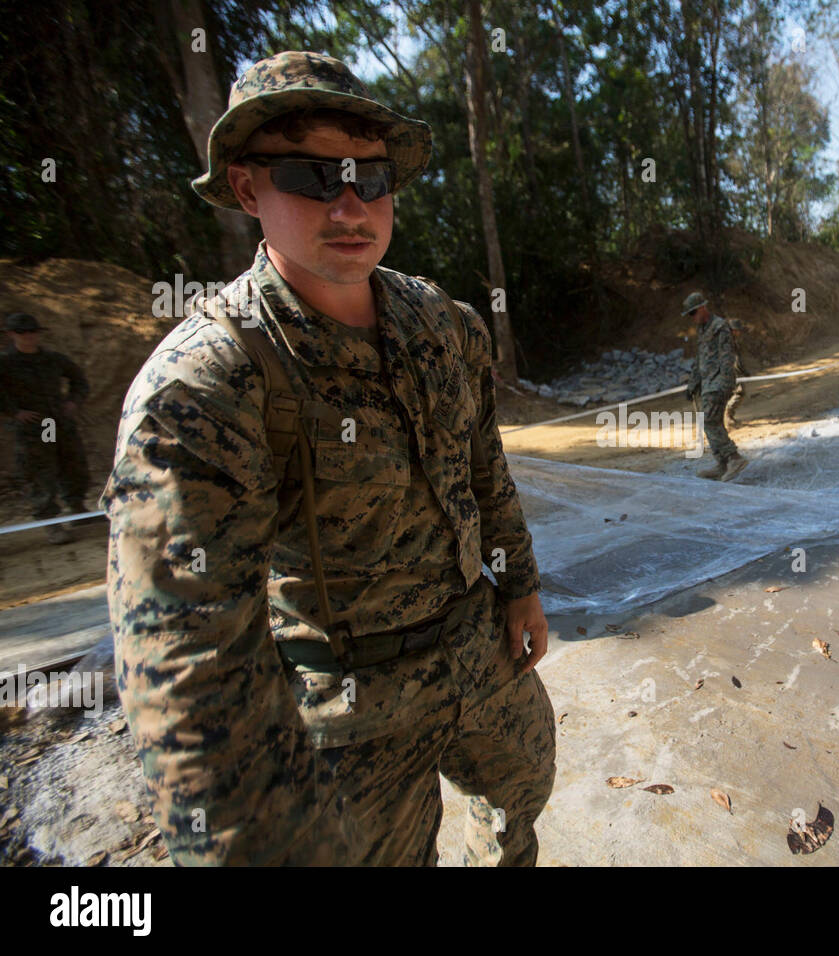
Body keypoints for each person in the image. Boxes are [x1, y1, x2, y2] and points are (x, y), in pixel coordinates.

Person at [101, 51, 555, 866]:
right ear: (248, 189)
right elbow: (187, 671)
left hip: (478, 656)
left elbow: (484, 465)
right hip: (349, 717)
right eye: (312, 177)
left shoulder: (443, 325)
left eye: (369, 177)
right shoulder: (205, 386)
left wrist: (517, 584)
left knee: (516, 815)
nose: (350, 205)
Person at [0, 311, 90, 544]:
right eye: (22, 332)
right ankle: (50, 522)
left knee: (73, 464)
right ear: (11, 334)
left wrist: (73, 402)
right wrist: (14, 412)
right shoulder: (6, 362)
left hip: (58, 422)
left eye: (32, 331)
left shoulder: (53, 359)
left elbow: (79, 380)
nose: (28, 336)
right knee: (41, 472)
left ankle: (78, 509)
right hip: (35, 428)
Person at [683, 291, 748, 481]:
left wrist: (724, 384)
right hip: (707, 383)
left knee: (709, 420)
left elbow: (727, 358)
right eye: (690, 314)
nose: (692, 318)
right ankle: (722, 463)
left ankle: (734, 458)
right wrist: (692, 385)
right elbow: (700, 360)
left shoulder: (719, 327)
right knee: (712, 422)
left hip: (718, 383)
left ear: (702, 308)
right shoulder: (703, 330)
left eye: (693, 313)